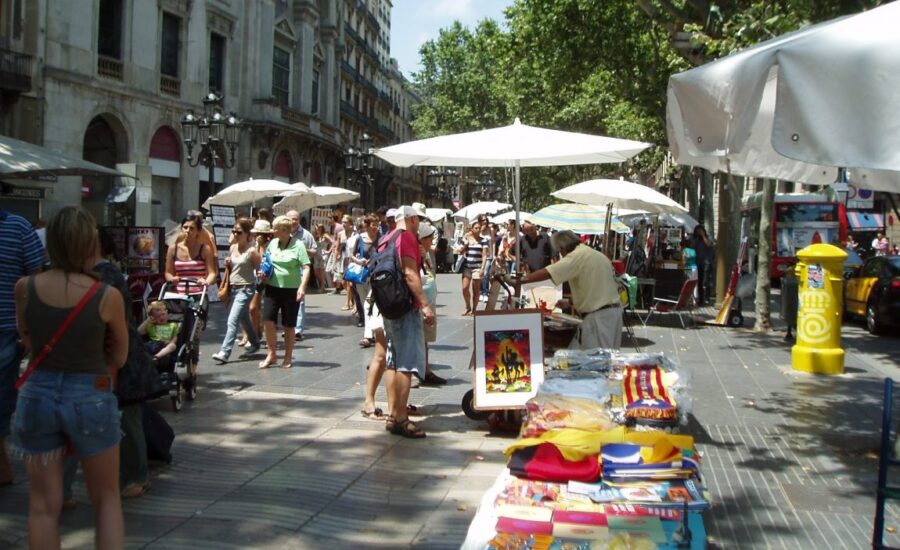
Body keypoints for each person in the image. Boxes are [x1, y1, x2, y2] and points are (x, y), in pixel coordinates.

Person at [12, 206, 128, 549]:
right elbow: (120, 355)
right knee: (106, 499)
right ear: (89, 243)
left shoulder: (25, 287)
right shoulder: (106, 295)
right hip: (90, 394)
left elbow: (28, 340)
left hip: (37, 394)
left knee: (43, 506)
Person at [0, 209, 45, 488]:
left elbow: (36, 281)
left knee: (3, 397)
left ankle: (2, 464)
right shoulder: (20, 227)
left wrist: (29, 332)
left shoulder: (18, 227)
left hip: (7, 328)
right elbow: (37, 278)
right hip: (10, 328)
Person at [381, 206, 435, 438]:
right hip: (405, 306)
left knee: (392, 362)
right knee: (407, 363)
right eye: (417, 220)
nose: (418, 224)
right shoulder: (408, 238)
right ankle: (401, 418)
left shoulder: (387, 237)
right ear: (412, 219)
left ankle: (393, 414)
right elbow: (410, 273)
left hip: (388, 305)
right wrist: (424, 304)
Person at [519, 230, 622, 350]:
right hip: (613, 313)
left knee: (598, 361)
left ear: (562, 248)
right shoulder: (593, 254)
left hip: (599, 318)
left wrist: (521, 280)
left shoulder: (577, 256)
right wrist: (570, 302)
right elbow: (594, 289)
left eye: (560, 251)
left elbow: (549, 272)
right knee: (600, 357)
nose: (561, 255)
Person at [164, 215, 217, 390]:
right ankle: (170, 364)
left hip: (197, 296)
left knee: (193, 336)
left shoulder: (204, 249)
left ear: (198, 231)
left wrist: (206, 282)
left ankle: (191, 371)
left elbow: (211, 273)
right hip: (178, 297)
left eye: (191, 228)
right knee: (175, 331)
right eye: (185, 227)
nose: (187, 231)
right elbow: (168, 273)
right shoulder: (173, 249)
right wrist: (173, 279)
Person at [258, 215, 310, 369]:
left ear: (284, 230)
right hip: (272, 287)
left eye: (275, 228)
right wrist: (262, 272)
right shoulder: (273, 243)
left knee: (288, 324)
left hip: (291, 290)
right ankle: (271, 353)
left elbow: (306, 266)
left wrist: (302, 287)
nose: (273, 231)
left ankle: (288, 356)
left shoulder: (298, 245)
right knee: (268, 320)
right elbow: (266, 261)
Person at [211, 218, 261, 363]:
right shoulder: (233, 248)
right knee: (244, 319)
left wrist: (259, 290)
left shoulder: (252, 251)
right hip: (233, 289)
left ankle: (224, 352)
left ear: (247, 234)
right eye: (233, 231)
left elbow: (260, 271)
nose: (235, 234)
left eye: (239, 232)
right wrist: (228, 263)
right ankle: (255, 343)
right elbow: (233, 268)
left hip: (246, 289)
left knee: (232, 321)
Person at [417, 222, 446, 386]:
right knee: (419, 338)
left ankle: (425, 370)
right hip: (420, 303)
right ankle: (419, 372)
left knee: (425, 339)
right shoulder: (416, 254)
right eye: (429, 238)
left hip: (428, 300)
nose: (431, 241)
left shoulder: (427, 253)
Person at [287, 209, 317, 339]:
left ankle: (297, 330)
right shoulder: (282, 232)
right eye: (291, 219)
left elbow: (315, 252)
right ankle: (289, 327)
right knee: (286, 300)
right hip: (284, 271)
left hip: (300, 270)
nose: (293, 221)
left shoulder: (306, 235)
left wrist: (303, 249)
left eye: (296, 219)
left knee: (299, 300)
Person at [246, 219, 273, 348]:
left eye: (261, 233)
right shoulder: (253, 244)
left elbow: (265, 263)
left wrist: (261, 246)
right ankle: (255, 332)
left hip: (268, 280)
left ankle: (258, 333)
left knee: (260, 308)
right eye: (257, 233)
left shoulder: (271, 245)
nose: (258, 236)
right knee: (252, 308)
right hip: (255, 279)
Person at [460, 222, 487, 316]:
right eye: (476, 228)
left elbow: (484, 255)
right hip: (467, 266)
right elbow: (460, 251)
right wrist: (465, 245)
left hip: (477, 267)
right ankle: (467, 306)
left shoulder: (483, 241)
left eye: (479, 228)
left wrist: (482, 268)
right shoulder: (466, 239)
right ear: (471, 229)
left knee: (476, 289)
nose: (478, 230)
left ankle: (474, 309)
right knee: (464, 288)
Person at [691, 225, 714, 305]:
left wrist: (703, 235)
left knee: (706, 281)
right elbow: (692, 247)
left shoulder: (708, 237)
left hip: (707, 262)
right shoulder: (696, 239)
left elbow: (709, 244)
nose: (699, 232)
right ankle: (700, 299)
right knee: (700, 282)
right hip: (698, 262)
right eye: (697, 231)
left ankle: (706, 298)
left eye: (700, 230)